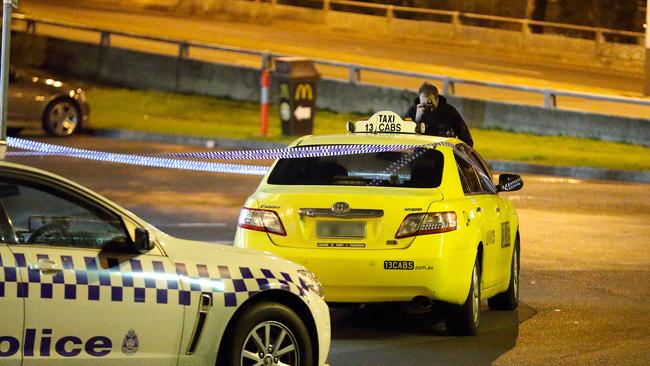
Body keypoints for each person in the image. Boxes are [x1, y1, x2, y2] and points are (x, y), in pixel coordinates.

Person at [404, 82, 474, 147]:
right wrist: (417, 119)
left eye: (430, 103)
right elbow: (403, 137)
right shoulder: (413, 112)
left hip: (443, 154)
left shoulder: (450, 112)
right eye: (423, 104)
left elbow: (466, 140)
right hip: (418, 155)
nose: (427, 107)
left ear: (437, 99)